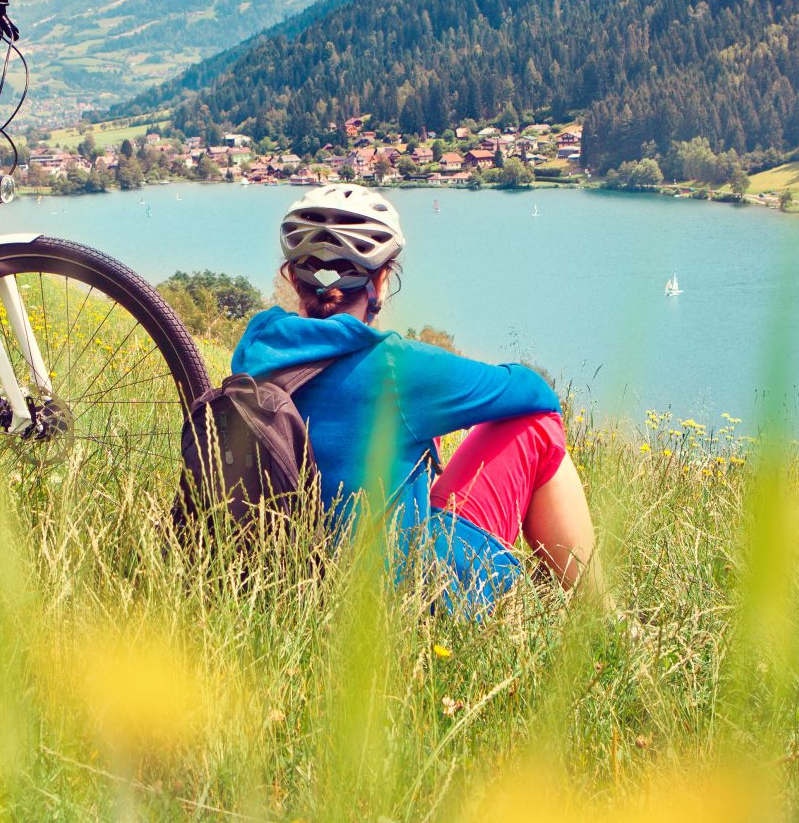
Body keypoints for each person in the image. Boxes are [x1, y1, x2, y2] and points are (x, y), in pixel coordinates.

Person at [229, 183, 602, 607]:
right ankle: (599, 613)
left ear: (292, 277)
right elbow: (536, 393)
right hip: (399, 595)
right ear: (382, 280)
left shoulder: (256, 344)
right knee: (537, 428)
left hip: (296, 581)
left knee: (417, 441)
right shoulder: (395, 366)